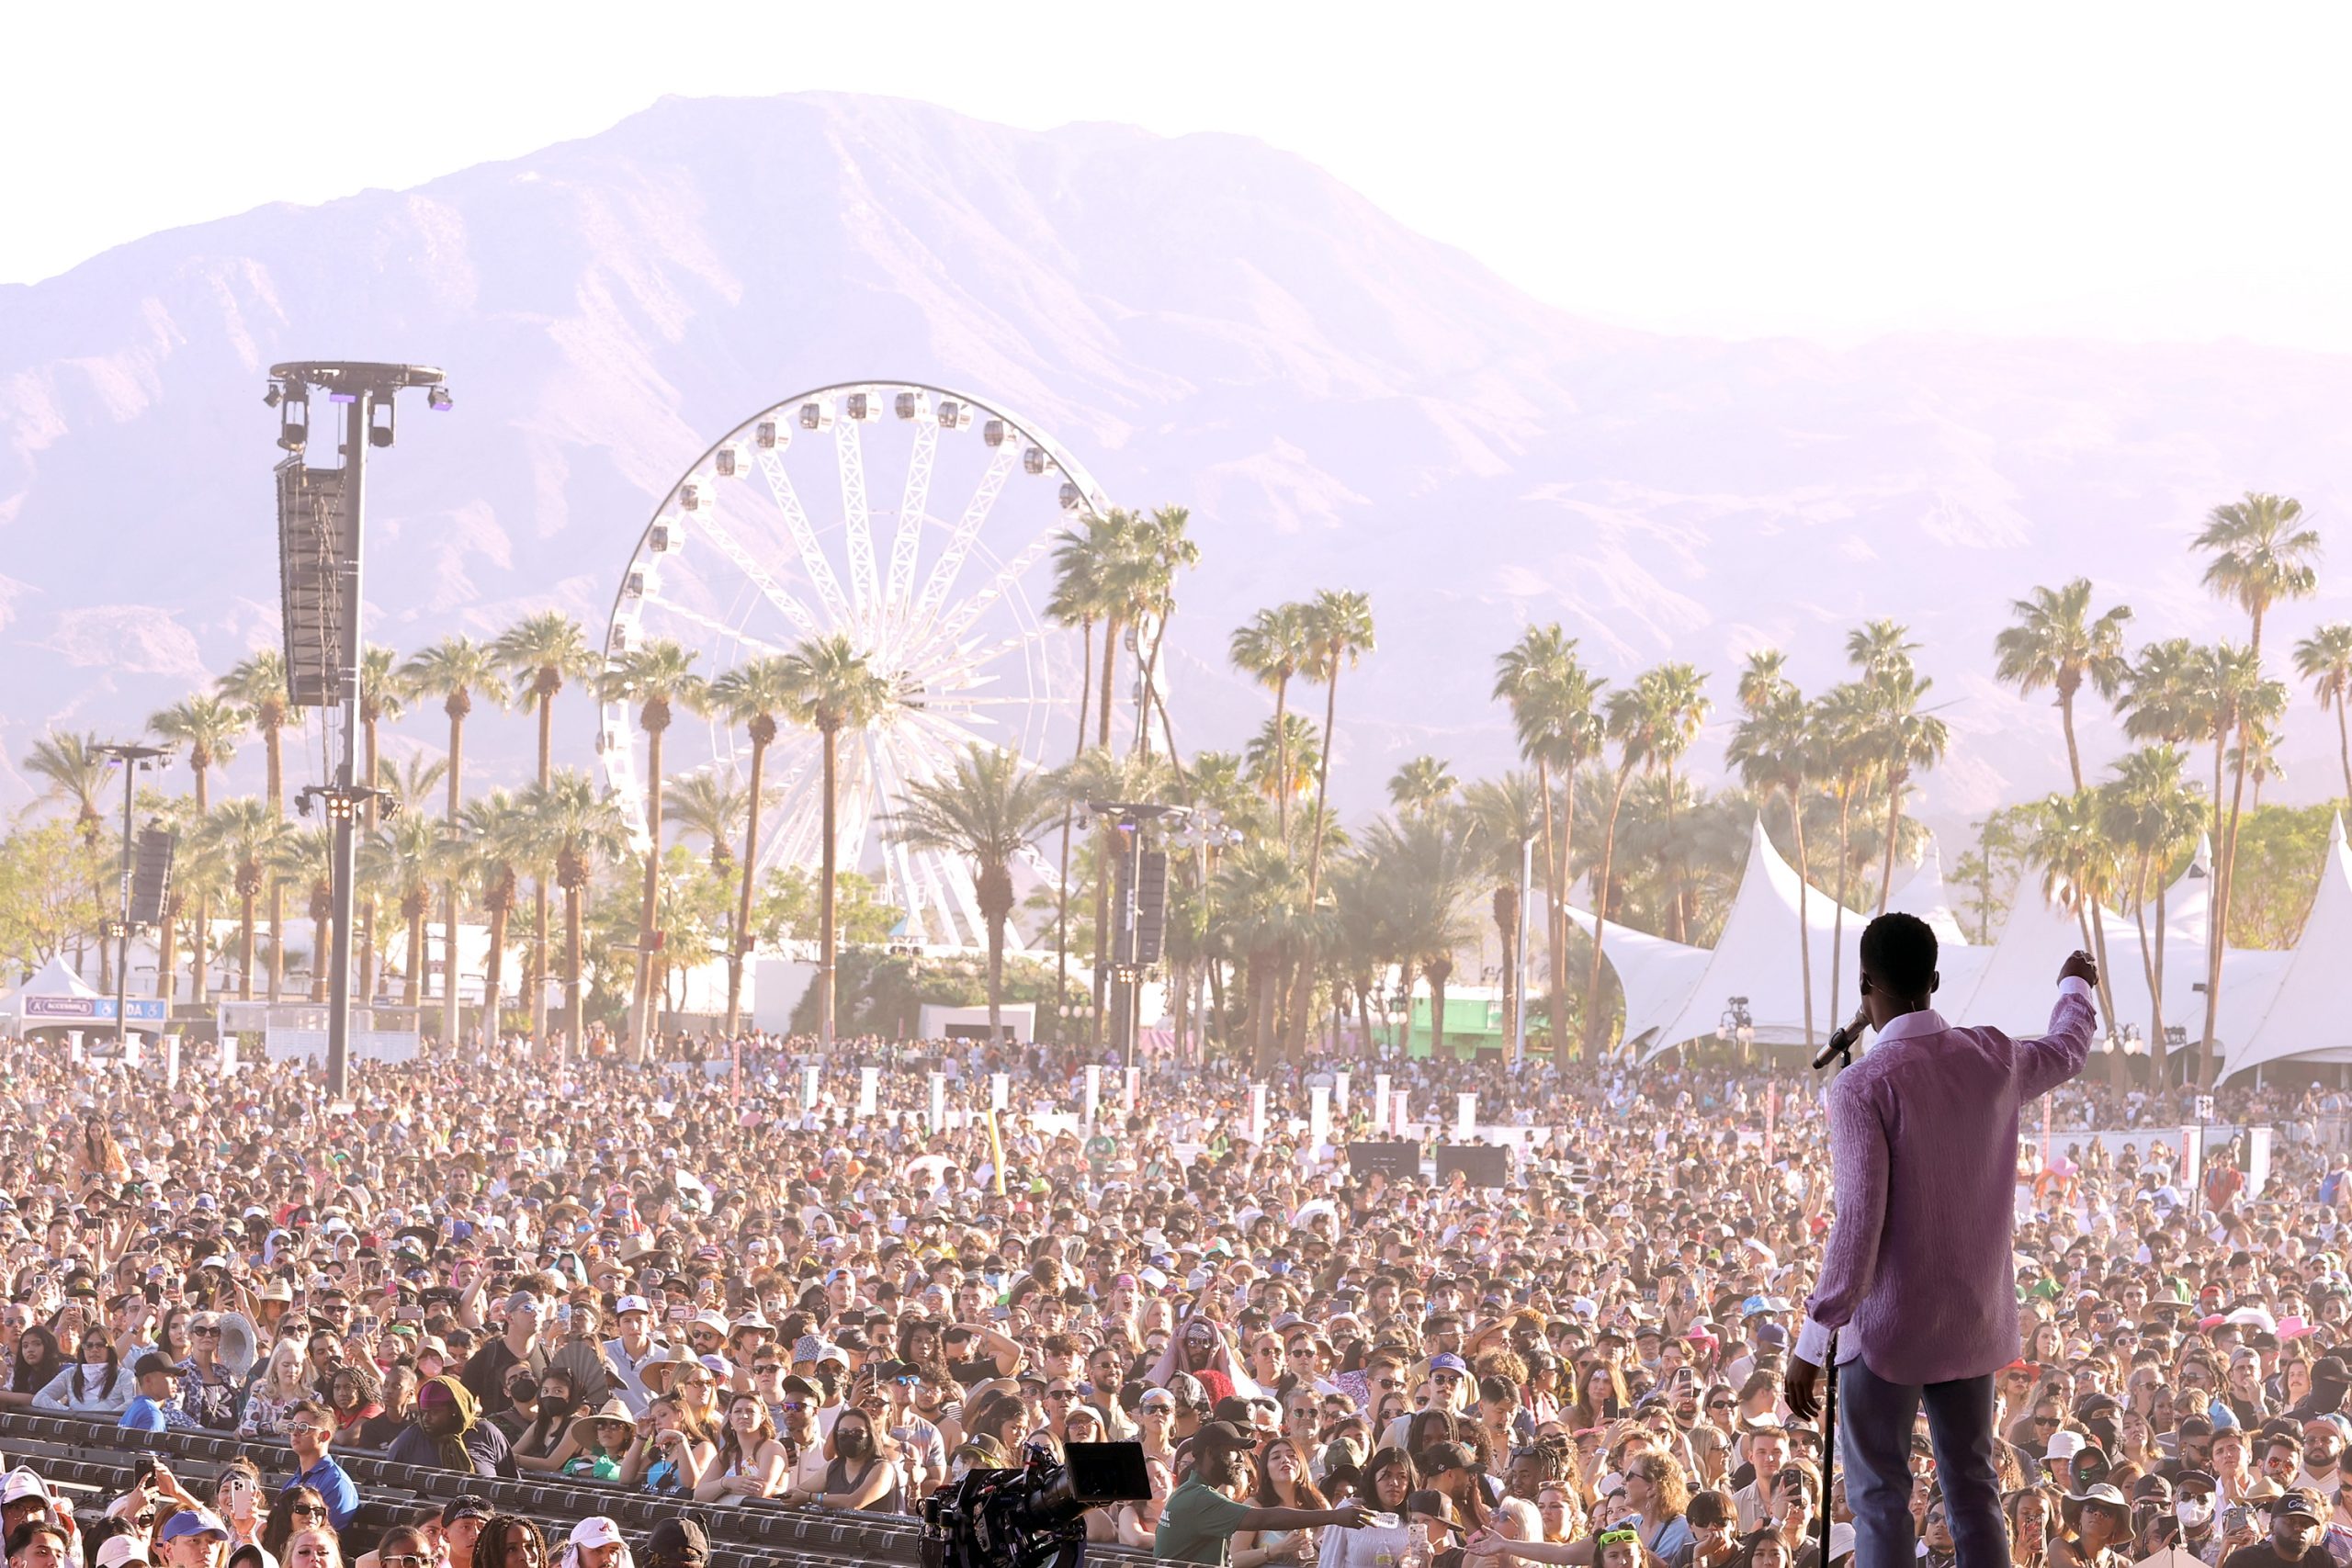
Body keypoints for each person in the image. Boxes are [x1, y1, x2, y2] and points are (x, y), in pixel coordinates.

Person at [1788, 919, 2098, 1568]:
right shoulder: (1993, 1056)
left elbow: (1856, 1221)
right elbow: (2068, 1048)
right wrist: (2076, 985)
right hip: (1973, 1324)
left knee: (1879, 1496)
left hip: (1889, 1329)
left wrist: (1814, 1338)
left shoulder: (1862, 1084)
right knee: (1974, 1486)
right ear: (1933, 982)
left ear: (1867, 984)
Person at [1156, 1421, 1366, 1564]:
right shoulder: (1199, 1499)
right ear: (1211, 1453)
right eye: (1233, 1451)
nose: (1240, 1459)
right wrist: (1335, 1516)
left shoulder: (1192, 1492)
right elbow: (1265, 1518)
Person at [284, 1402, 359, 1534]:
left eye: (303, 1428)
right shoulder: (294, 1480)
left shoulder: (336, 1483)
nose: (295, 1433)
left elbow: (325, 1536)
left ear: (324, 1436)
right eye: (292, 1427)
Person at [2219, 1487, 2327, 1568]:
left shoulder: (2321, 1559)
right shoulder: (2244, 1561)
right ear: (2272, 1526)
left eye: (2306, 1523)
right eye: (2291, 1521)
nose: (2299, 1528)